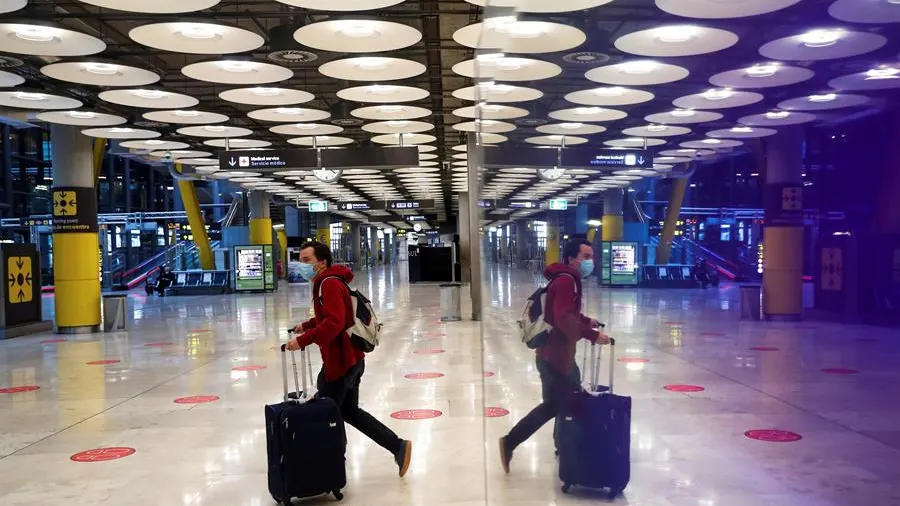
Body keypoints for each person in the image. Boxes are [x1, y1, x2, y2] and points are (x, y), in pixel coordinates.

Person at [285, 241, 413, 478]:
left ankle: (332, 469)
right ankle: (397, 446)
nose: (300, 265)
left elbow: (334, 324)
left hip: (340, 362)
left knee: (326, 414)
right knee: (348, 411)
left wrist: (302, 341)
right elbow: (337, 317)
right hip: (350, 360)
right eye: (299, 260)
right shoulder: (331, 281)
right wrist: (308, 325)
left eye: (306, 261)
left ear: (321, 263)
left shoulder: (329, 284)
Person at [499, 239, 610, 473]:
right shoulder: (567, 281)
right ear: (571, 258)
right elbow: (562, 319)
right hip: (557, 359)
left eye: (592, 256)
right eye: (585, 256)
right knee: (567, 403)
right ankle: (516, 442)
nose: (590, 261)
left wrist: (585, 320)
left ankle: (556, 445)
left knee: (558, 404)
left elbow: (567, 313)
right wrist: (592, 334)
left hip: (553, 355)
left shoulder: (565, 279)